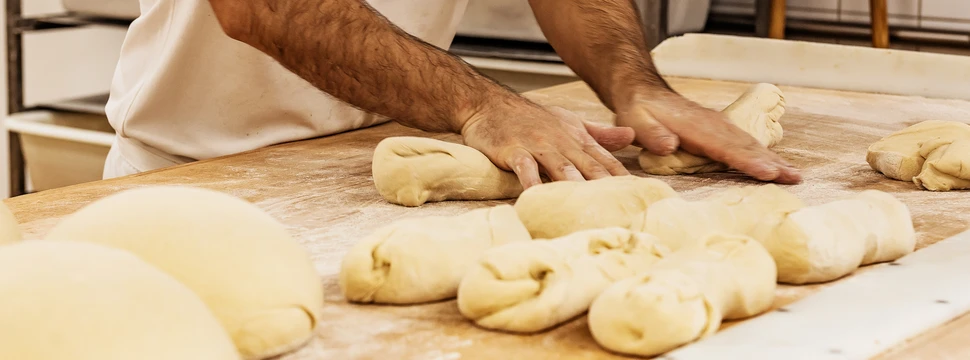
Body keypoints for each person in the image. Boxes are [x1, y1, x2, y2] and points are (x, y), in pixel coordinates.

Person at [103, 0, 801, 188]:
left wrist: (635, 83)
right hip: (197, 178)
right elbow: (263, 7)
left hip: (374, 170)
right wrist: (479, 102)